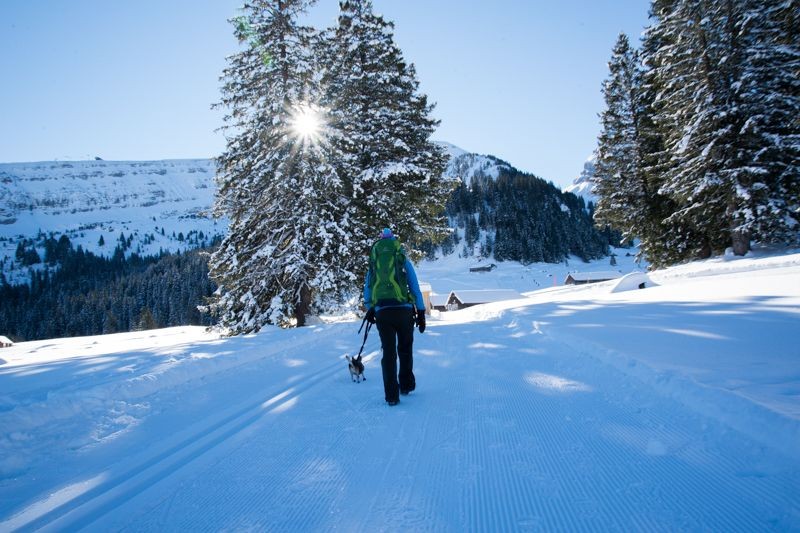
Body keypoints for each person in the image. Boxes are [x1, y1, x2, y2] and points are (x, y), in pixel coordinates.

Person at [363, 228, 426, 406]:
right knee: (405, 348)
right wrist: (420, 311)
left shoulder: (375, 261)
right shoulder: (401, 258)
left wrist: (372, 308)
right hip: (404, 311)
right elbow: (414, 285)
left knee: (388, 354)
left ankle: (391, 395)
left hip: (383, 312)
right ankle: (405, 385)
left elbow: (367, 289)